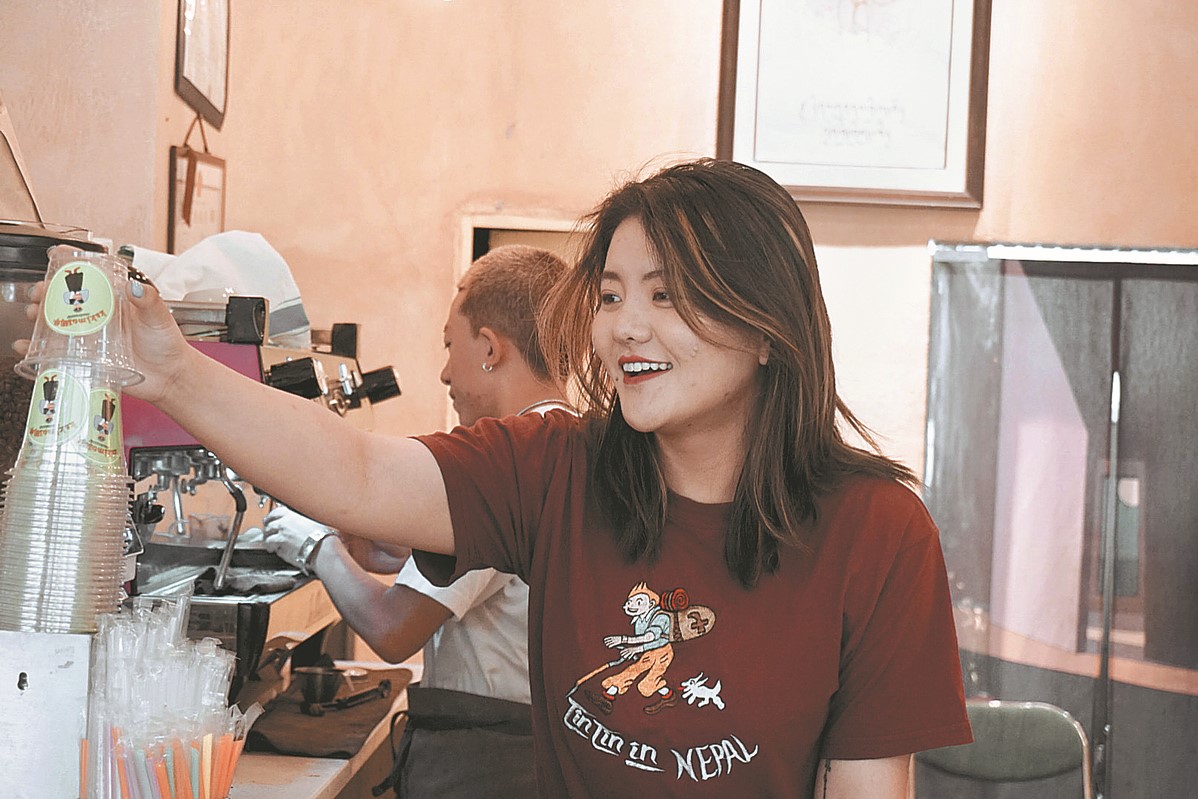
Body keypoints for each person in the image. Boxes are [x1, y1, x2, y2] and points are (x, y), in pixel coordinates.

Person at [20, 158, 970, 797]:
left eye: (667, 295)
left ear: (766, 324)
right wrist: (171, 370)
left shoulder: (877, 532)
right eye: (609, 296)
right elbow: (355, 473)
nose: (624, 327)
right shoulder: (556, 466)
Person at [258, 244, 571, 798]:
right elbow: (496, 573)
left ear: (491, 348)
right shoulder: (563, 442)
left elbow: (392, 630)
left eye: (451, 346)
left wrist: (316, 548)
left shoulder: (504, 462)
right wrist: (387, 551)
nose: (445, 371)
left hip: (488, 763)